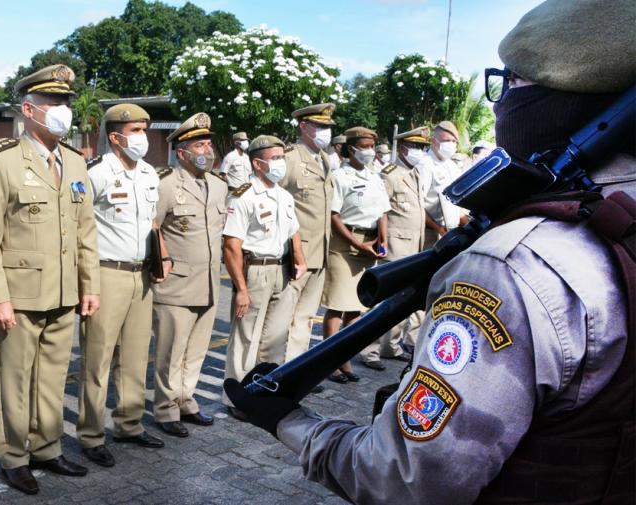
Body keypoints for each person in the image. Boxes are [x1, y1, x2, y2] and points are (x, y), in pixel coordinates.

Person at [226, 0, 635, 502]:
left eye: (508, 85)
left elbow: (405, 479)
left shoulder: (511, 266)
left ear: (553, 99)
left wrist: (289, 423)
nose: (499, 104)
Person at [0, 64, 101, 496]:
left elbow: (86, 233)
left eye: (66, 102)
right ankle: (13, 456)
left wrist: (91, 286)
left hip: (64, 292)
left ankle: (46, 446)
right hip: (21, 295)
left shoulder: (76, 162)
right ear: (29, 109)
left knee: (52, 376)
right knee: (14, 378)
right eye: (55, 103)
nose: (64, 110)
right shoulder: (2, 160)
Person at [77, 103, 169, 467]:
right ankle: (90, 433)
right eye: (136, 131)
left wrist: (161, 257)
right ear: (115, 137)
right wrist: (87, 282)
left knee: (133, 357)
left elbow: (153, 224)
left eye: (145, 130)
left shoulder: (149, 173)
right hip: (106, 274)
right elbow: (81, 226)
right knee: (98, 359)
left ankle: (129, 423)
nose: (143, 138)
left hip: (141, 275)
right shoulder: (96, 173)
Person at [152, 112, 229, 438]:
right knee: (171, 351)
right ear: (181, 152)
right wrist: (163, 258)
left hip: (209, 283)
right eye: (199, 144)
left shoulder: (218, 184)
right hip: (176, 283)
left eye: (208, 143)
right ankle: (166, 409)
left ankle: (186, 400)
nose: (207, 150)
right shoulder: (167, 183)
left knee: (197, 349)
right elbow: (153, 226)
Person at [223, 135, 306, 420]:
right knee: (246, 337)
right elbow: (231, 245)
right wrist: (240, 289)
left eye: (282, 157)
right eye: (275, 159)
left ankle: (262, 390)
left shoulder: (284, 196)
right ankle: (236, 398)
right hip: (255, 269)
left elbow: (293, 230)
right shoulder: (243, 195)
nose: (281, 163)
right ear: (258, 164)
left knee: (274, 337)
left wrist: (300, 258)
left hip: (281, 270)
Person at [324, 127, 390, 380]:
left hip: (370, 242)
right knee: (336, 306)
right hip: (345, 245)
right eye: (364, 146)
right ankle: (329, 362)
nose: (369, 151)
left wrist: (382, 239)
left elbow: (383, 211)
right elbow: (334, 216)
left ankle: (345, 360)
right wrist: (356, 243)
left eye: (372, 146)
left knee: (355, 307)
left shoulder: (375, 176)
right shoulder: (339, 176)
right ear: (351, 149)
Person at [280, 103, 335, 364]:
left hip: (320, 252)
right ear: (303, 127)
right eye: (320, 126)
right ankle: (276, 369)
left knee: (305, 318)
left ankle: (295, 368)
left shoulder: (325, 159)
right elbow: (274, 199)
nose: (326, 132)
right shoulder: (290, 158)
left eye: (328, 127)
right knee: (284, 317)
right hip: (295, 253)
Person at [371, 127, 430, 358]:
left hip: (412, 245)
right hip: (395, 244)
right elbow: (381, 210)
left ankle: (390, 346)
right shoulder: (390, 173)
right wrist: (382, 240)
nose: (421, 152)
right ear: (404, 148)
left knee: (401, 299)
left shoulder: (413, 172)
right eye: (417, 147)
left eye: (424, 148)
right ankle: (371, 351)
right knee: (385, 300)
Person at [419, 121, 467, 247]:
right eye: (447, 141)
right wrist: (438, 229)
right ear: (434, 142)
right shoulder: (425, 165)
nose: (451, 145)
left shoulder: (452, 166)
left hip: (451, 231)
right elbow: (417, 206)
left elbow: (455, 202)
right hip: (431, 233)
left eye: (454, 141)